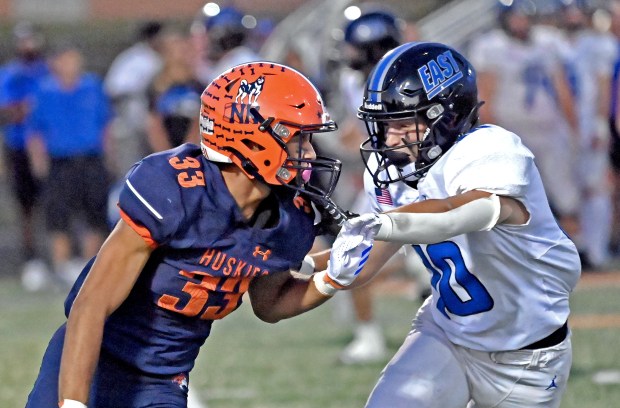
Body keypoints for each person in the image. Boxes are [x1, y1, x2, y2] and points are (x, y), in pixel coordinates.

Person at [25, 61, 378, 408]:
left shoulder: (288, 215)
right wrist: (72, 403)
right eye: (298, 139)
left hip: (163, 380)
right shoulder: (176, 189)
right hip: (96, 355)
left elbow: (269, 304)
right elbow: (91, 305)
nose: (310, 153)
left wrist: (330, 280)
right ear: (251, 138)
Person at [320, 42, 581, 407]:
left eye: (400, 124)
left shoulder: (493, 150)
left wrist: (388, 224)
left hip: (526, 355)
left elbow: (455, 214)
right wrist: (307, 268)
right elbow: (365, 259)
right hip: (446, 334)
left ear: (446, 116)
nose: (387, 139)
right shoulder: (394, 171)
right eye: (382, 124)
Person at [330, 8, 429, 365]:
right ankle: (368, 334)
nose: (350, 55)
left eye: (357, 48)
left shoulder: (410, 77)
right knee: (351, 249)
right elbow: (358, 134)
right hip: (382, 174)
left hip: (419, 175)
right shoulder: (354, 80)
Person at [468, 0, 580, 239]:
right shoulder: (491, 46)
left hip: (550, 129)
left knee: (567, 194)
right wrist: (494, 135)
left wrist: (573, 126)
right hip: (514, 131)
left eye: (524, 16)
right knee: (519, 195)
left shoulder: (547, 41)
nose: (522, 22)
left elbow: (562, 89)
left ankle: (578, 250)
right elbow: (485, 94)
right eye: (515, 17)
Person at [26, 41, 113, 286]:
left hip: (90, 157)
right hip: (60, 160)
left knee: (94, 211)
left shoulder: (92, 86)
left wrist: (108, 156)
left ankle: (89, 266)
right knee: (59, 213)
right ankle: (62, 266)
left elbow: (105, 123)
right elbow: (35, 130)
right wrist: (38, 161)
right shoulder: (45, 90)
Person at [0, 22, 49, 286]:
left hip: (50, 146)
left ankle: (59, 259)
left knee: (56, 205)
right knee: (27, 207)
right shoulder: (11, 74)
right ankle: (32, 259)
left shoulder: (47, 70)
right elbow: (8, 111)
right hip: (20, 145)